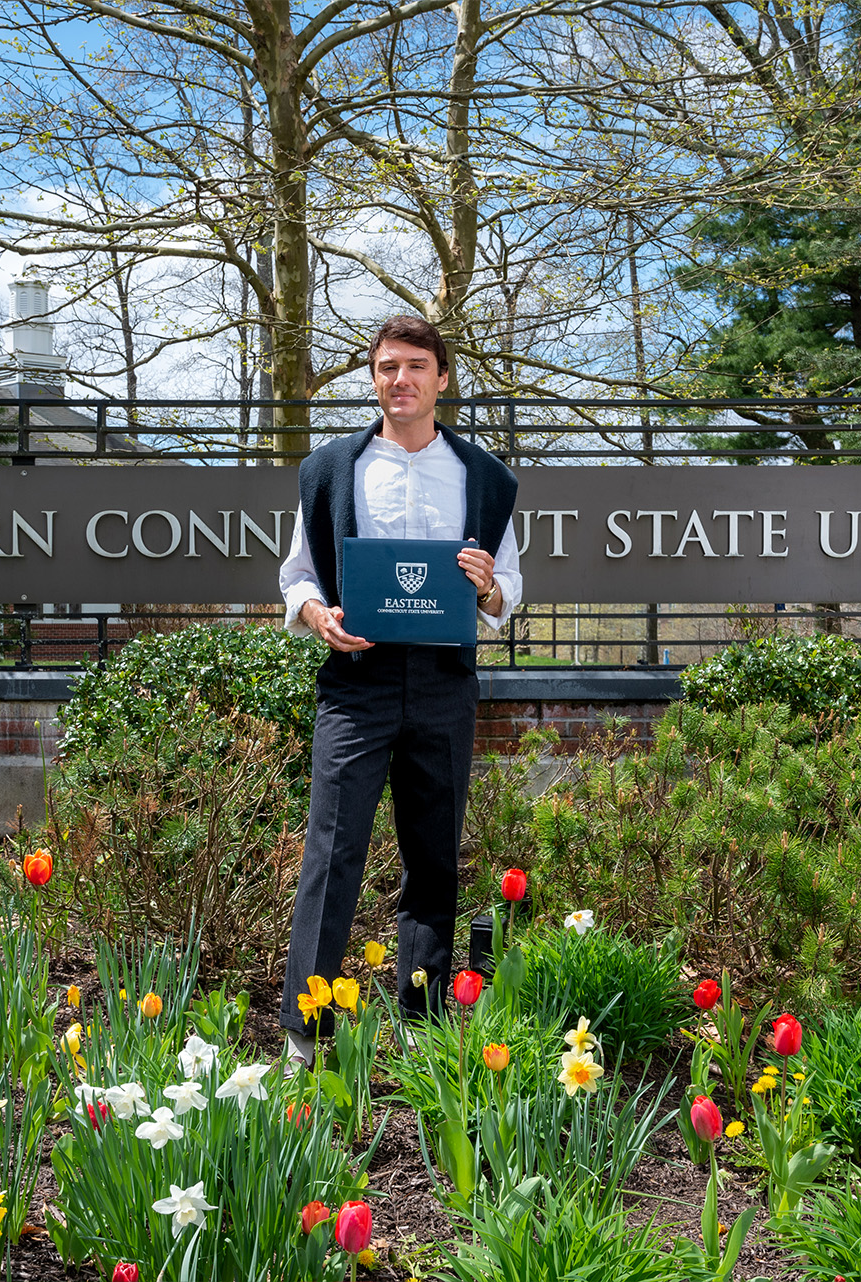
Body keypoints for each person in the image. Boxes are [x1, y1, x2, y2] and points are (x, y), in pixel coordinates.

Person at [275, 315, 521, 1067]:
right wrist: (318, 615)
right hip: (358, 683)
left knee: (434, 855)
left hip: (445, 681)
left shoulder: (486, 478)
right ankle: (304, 1035)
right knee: (332, 849)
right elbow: (296, 576)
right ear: (374, 378)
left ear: (442, 379)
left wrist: (488, 590)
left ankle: (422, 1025)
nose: (401, 379)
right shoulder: (329, 471)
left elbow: (510, 586)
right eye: (387, 367)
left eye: (416, 365)